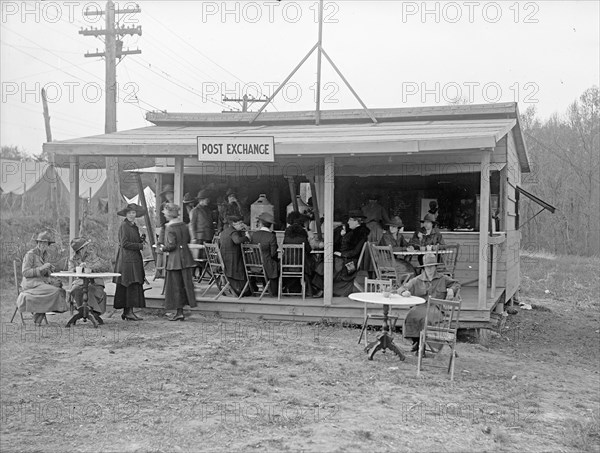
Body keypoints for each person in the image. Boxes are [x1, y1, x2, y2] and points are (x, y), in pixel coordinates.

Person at [399, 253, 460, 355]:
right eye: (427, 267)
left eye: (432, 266)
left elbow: (456, 283)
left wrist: (452, 290)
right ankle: (416, 341)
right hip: (420, 306)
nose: (430, 269)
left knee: (427, 317)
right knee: (411, 315)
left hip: (436, 307)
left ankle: (421, 345)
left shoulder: (443, 278)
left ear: (435, 266)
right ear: (424, 267)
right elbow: (401, 288)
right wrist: (404, 292)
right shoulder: (417, 280)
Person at [314, 210, 370, 298]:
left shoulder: (360, 234)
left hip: (350, 262)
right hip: (344, 258)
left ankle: (323, 288)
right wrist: (341, 236)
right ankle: (322, 288)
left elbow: (355, 252)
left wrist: (341, 254)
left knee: (329, 263)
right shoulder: (350, 232)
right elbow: (340, 245)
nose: (348, 222)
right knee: (324, 262)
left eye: (350, 220)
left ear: (356, 221)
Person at [17, 231, 68, 325]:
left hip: (40, 283)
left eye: (46, 243)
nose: (43, 245)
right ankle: (39, 315)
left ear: (48, 245)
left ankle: (39, 314)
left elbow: (44, 274)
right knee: (56, 291)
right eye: (41, 242)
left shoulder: (45, 255)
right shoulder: (30, 254)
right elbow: (25, 272)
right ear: (38, 243)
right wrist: (42, 268)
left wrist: (49, 270)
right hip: (31, 285)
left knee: (60, 288)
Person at [159, 203, 197, 321]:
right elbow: (188, 239)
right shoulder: (184, 225)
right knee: (184, 285)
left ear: (169, 214)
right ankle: (181, 311)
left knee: (176, 286)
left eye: (165, 212)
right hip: (186, 257)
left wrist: (162, 248)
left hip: (175, 260)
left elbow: (171, 245)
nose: (164, 214)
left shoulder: (169, 227)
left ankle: (179, 312)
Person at [113, 203, 147, 321]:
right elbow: (124, 243)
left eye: (133, 213)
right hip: (127, 260)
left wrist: (141, 240)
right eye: (129, 213)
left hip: (134, 259)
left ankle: (128, 312)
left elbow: (133, 241)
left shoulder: (134, 226)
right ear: (126, 214)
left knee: (133, 283)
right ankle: (128, 312)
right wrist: (139, 245)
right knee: (128, 283)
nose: (132, 215)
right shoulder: (124, 226)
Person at [68, 237, 110, 325]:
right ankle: (83, 310)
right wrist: (78, 268)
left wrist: (89, 267)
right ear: (81, 249)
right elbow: (71, 269)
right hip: (80, 282)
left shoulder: (92, 255)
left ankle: (94, 312)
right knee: (75, 289)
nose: (87, 248)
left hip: (95, 282)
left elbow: (103, 266)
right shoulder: (73, 259)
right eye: (85, 246)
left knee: (90, 290)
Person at [283, 211, 314, 297]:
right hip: (301, 264)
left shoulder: (287, 234)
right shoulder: (303, 234)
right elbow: (309, 250)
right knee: (312, 263)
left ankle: (288, 288)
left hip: (287, 264)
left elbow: (283, 246)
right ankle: (310, 290)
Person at [219, 215, 251, 297]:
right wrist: (247, 237)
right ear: (233, 224)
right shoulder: (234, 232)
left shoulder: (224, 232)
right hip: (233, 260)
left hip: (224, 259)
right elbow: (237, 241)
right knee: (245, 264)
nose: (242, 225)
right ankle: (243, 289)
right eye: (240, 223)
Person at [250, 212, 279, 297]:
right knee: (277, 265)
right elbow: (273, 253)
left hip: (254, 263)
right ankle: (274, 290)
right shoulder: (271, 236)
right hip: (267, 264)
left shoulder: (254, 234)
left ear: (261, 223)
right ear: (270, 225)